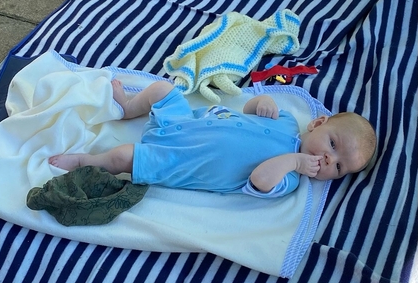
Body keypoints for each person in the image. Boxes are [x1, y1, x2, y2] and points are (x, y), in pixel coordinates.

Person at [49, 80, 376, 198]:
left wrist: (295, 161)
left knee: (122, 157)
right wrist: (259, 103)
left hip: (179, 161)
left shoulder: (287, 179)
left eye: (338, 168)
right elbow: (246, 109)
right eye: (333, 146)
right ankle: (129, 108)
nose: (329, 161)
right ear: (317, 123)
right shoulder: (287, 121)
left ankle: (87, 162)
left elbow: (260, 180)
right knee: (163, 91)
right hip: (184, 123)